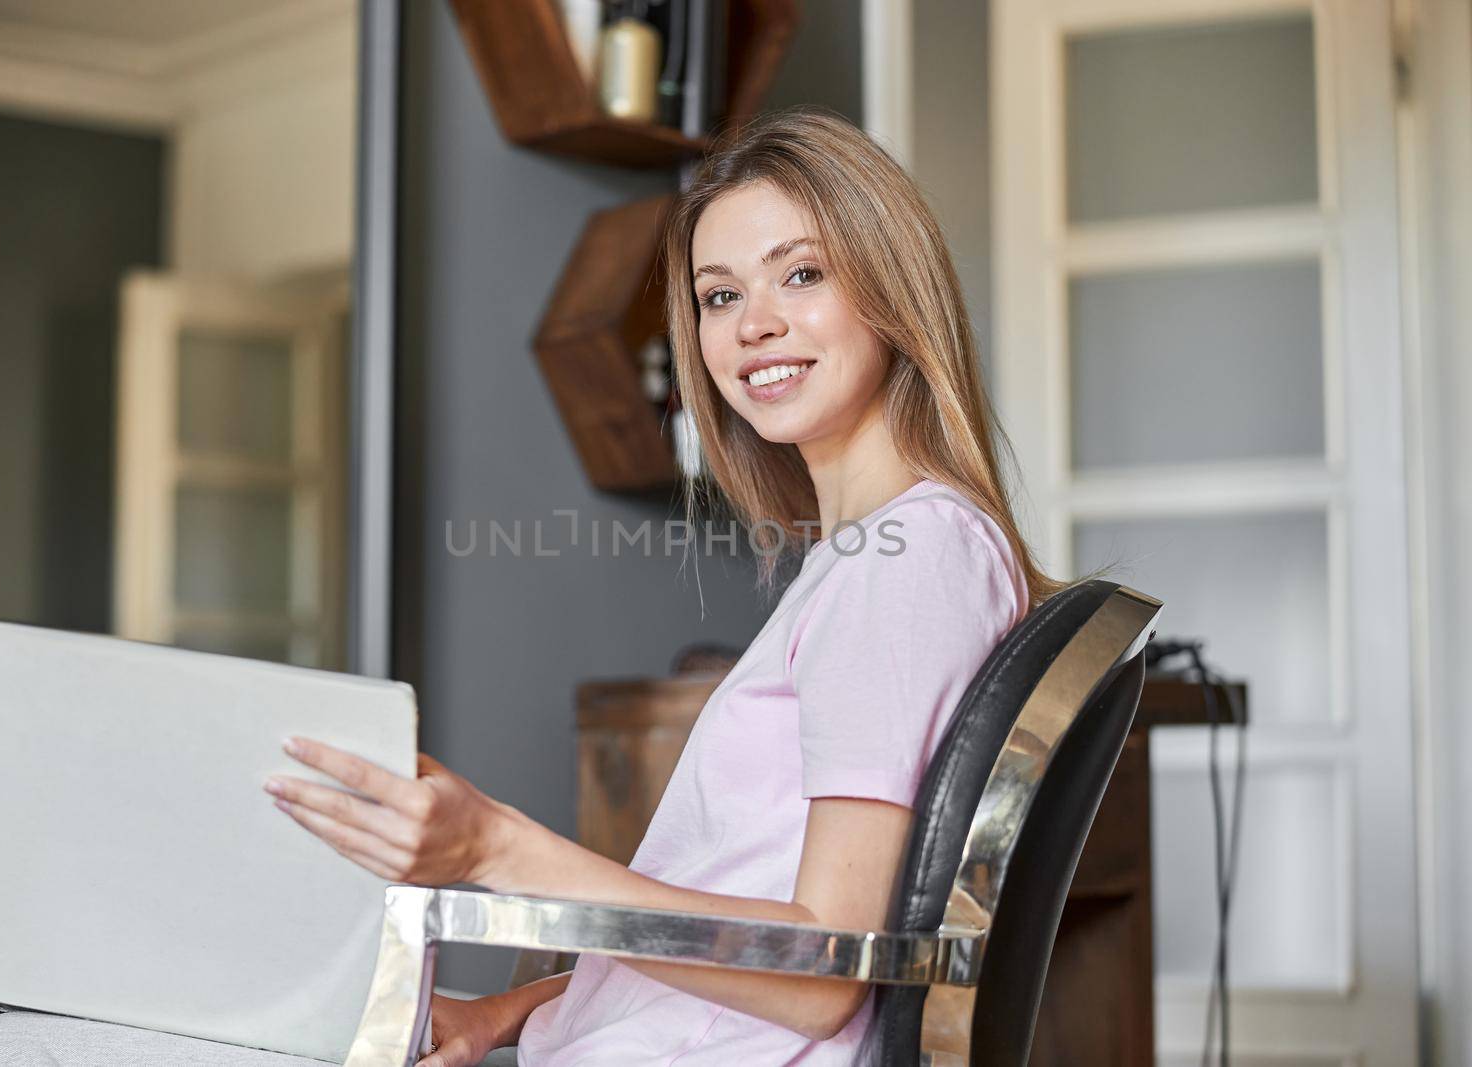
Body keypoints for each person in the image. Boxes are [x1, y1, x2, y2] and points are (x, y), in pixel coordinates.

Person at [264, 107, 1068, 1066]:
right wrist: (505, 1013)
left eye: (801, 274)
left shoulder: (905, 565)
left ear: (892, 287)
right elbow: (742, 924)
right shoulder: (887, 555)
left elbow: (819, 974)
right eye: (719, 296)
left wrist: (495, 849)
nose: (755, 323)